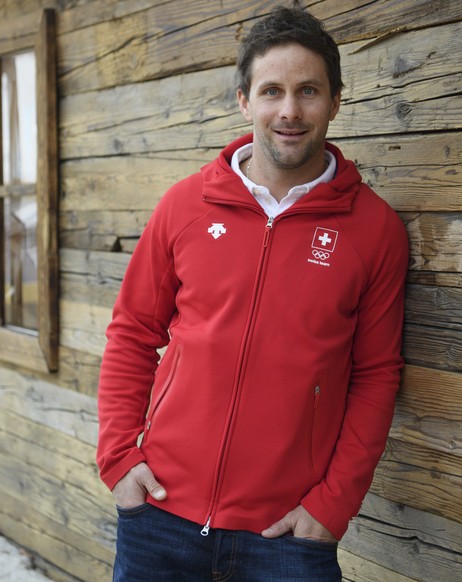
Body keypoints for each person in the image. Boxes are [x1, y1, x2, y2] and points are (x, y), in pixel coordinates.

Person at [97, 5, 409, 581]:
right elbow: (132, 333)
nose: (289, 110)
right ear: (245, 101)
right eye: (272, 91)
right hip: (160, 515)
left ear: (335, 101)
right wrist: (120, 459)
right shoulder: (184, 207)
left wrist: (330, 505)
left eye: (308, 91)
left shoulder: (374, 231)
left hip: (288, 537)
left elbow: (376, 374)